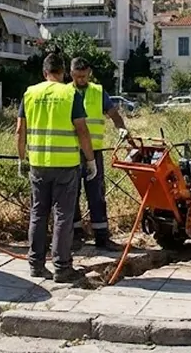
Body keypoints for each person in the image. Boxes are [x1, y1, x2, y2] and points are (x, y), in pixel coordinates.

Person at [16, 52, 96, 283]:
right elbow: (82, 130)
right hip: (66, 165)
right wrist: (90, 161)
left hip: (38, 164)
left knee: (38, 214)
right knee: (63, 217)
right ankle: (62, 267)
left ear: (44, 72)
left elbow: (20, 130)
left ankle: (36, 265)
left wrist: (22, 159)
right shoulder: (70, 93)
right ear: (63, 73)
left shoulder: (30, 93)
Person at [68, 57, 128, 252]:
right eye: (77, 76)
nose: (81, 80)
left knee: (97, 194)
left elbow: (113, 113)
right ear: (71, 74)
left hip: (94, 152)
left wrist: (121, 128)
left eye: (84, 76)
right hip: (70, 152)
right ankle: (76, 234)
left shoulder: (98, 92)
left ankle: (102, 237)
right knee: (71, 193)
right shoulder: (65, 92)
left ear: (89, 73)